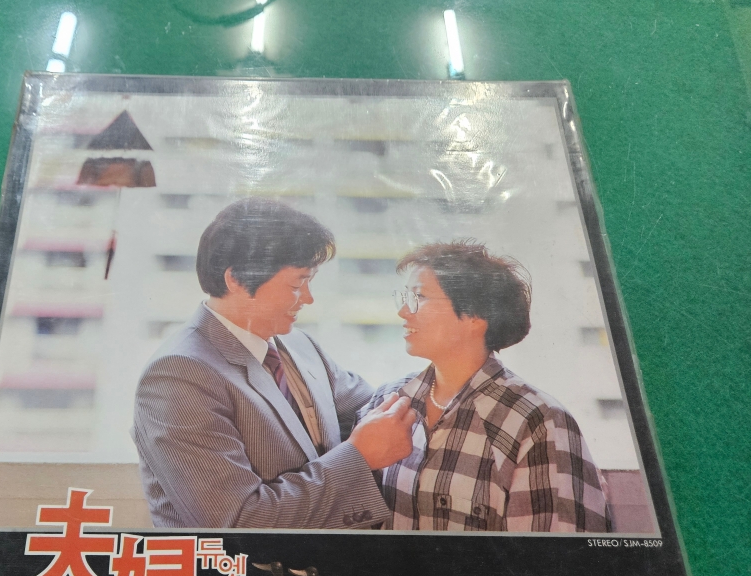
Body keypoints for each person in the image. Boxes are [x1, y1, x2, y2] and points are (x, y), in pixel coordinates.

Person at [131, 198, 415, 529]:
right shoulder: (178, 375)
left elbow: (375, 409)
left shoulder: (299, 345)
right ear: (236, 280)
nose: (308, 298)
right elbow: (238, 521)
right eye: (296, 284)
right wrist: (358, 457)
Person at [359, 241, 612, 532]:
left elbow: (555, 553)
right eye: (404, 297)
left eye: (419, 297)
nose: (403, 311)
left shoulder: (539, 421)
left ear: (476, 317)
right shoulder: (387, 400)